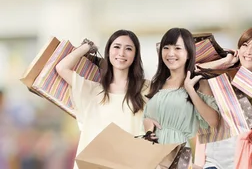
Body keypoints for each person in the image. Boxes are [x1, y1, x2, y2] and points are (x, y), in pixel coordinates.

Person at [55, 30, 146, 169]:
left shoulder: (145, 89)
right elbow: (62, 67)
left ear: (135, 55)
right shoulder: (92, 90)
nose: (121, 53)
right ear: (108, 52)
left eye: (128, 49)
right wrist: (87, 47)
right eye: (116, 47)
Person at [198, 27, 252, 169]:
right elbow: (190, 76)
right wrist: (224, 63)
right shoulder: (221, 78)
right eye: (245, 45)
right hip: (212, 163)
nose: (248, 51)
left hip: (243, 163)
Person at [144, 28, 220, 145]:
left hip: (179, 152)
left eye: (177, 48)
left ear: (189, 53)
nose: (170, 53)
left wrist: (190, 90)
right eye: (166, 48)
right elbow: (149, 118)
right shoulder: (157, 83)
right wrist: (147, 125)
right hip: (153, 152)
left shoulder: (199, 82)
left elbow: (214, 122)